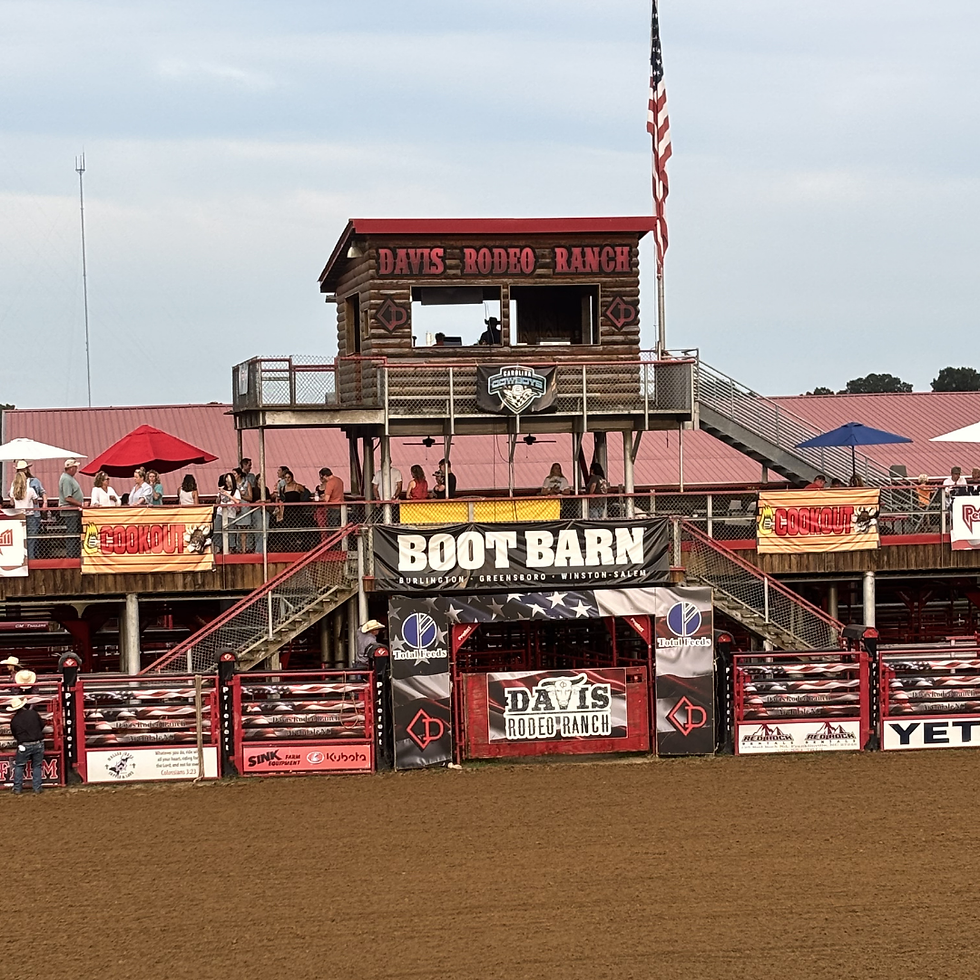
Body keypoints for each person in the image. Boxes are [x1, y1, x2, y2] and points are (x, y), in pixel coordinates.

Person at [8, 696, 45, 795]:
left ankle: (17, 788)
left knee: (19, 766)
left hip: (24, 744)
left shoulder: (14, 720)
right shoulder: (33, 713)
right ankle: (37, 788)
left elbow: (15, 734)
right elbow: (42, 725)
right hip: (38, 742)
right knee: (37, 765)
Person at [10, 463, 39, 560]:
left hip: (18, 516)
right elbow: (35, 500)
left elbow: (11, 501)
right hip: (29, 515)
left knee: (19, 538)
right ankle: (31, 557)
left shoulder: (13, 490)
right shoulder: (30, 490)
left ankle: (20, 557)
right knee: (31, 538)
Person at [59, 458, 84, 559]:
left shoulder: (68, 478)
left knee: (74, 533)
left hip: (72, 511)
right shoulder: (66, 479)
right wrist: (80, 504)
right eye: (75, 467)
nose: (77, 469)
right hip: (70, 512)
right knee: (72, 534)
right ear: (71, 468)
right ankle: (71, 555)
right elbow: (67, 497)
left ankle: (73, 554)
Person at [216, 473, 242, 553]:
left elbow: (238, 502)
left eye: (229, 481)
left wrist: (227, 494)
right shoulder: (223, 489)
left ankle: (230, 549)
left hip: (230, 514)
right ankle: (218, 548)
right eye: (226, 481)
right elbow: (217, 502)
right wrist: (220, 495)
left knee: (230, 532)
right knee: (217, 530)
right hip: (220, 513)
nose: (227, 483)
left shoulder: (236, 491)